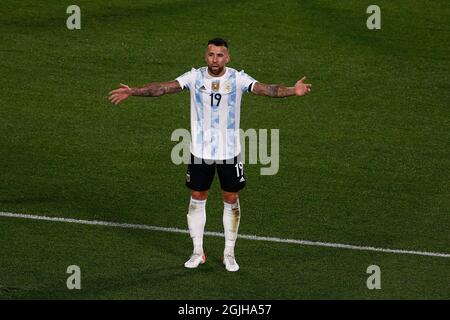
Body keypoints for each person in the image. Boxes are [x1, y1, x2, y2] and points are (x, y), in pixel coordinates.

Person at [108, 38, 311, 272]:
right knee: (197, 196)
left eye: (220, 55)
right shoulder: (194, 77)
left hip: (229, 152)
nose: (215, 59)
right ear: (206, 56)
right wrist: (133, 91)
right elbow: (163, 88)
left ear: (228, 57)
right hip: (200, 151)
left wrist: (292, 91)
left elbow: (268, 90)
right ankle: (197, 252)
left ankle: (229, 253)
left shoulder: (238, 78)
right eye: (211, 55)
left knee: (231, 198)